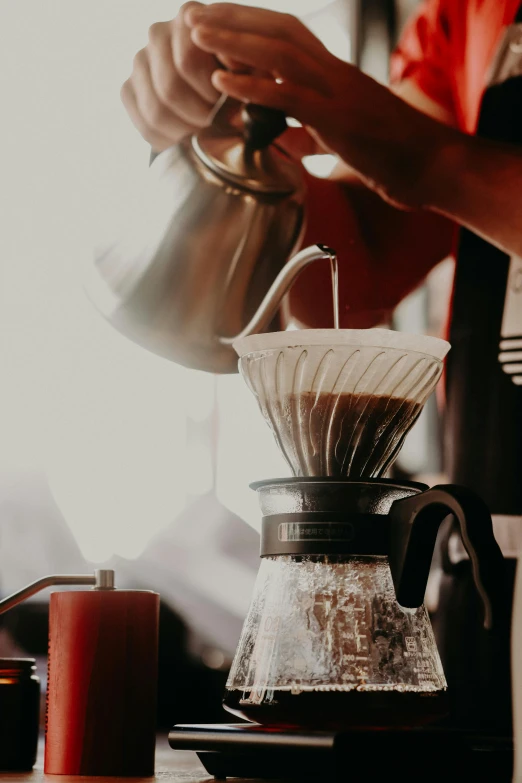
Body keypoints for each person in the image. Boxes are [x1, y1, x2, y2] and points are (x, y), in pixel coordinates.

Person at [122, 0, 522, 731]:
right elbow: (365, 257)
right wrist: (243, 142)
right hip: (493, 578)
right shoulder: (462, 13)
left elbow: (423, 166)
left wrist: (428, 156)